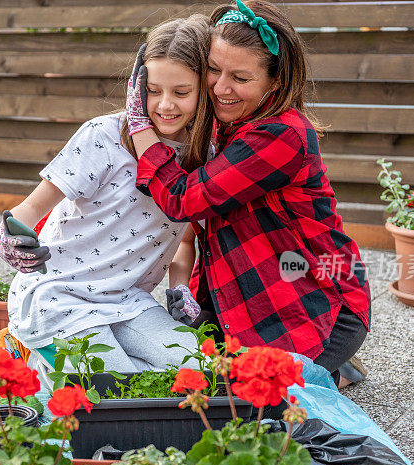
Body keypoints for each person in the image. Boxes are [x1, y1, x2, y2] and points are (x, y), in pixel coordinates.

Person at [127, 0, 371, 387]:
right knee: (177, 371)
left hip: (310, 305)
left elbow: (183, 200)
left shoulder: (281, 135)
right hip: (237, 297)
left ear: (275, 81)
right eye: (212, 69)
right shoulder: (221, 121)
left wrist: (139, 123)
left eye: (239, 77)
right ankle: (325, 372)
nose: (221, 88)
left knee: (248, 399)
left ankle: (330, 372)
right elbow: (194, 228)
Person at [0, 15, 215, 383]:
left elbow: (185, 238)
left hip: (128, 302)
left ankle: (53, 363)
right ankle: (28, 352)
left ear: (203, 91)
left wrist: (179, 288)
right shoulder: (103, 136)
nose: (165, 105)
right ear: (137, 85)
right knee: (112, 389)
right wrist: (7, 234)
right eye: (153, 90)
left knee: (200, 375)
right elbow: (32, 207)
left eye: (181, 92)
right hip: (59, 296)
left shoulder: (203, 155)